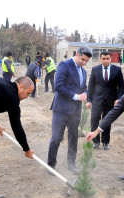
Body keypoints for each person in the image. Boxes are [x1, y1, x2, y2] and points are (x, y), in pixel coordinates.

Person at [47, 46, 93, 174]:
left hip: (75, 111)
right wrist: (76, 96)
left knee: (73, 138)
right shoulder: (64, 65)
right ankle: (51, 165)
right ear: (77, 54)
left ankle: (71, 164)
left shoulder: (83, 72)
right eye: (83, 59)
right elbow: (58, 86)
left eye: (86, 61)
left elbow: (84, 87)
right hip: (61, 109)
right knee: (56, 138)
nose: (84, 63)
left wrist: (85, 94)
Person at [86, 51, 124, 150]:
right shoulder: (95, 70)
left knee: (107, 121)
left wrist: (119, 99)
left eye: (107, 58)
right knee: (94, 120)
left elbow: (121, 86)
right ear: (100, 59)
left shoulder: (117, 70)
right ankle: (96, 141)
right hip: (97, 100)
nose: (105, 60)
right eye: (103, 59)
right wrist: (89, 100)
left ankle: (105, 142)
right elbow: (90, 86)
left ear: (110, 59)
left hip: (110, 101)